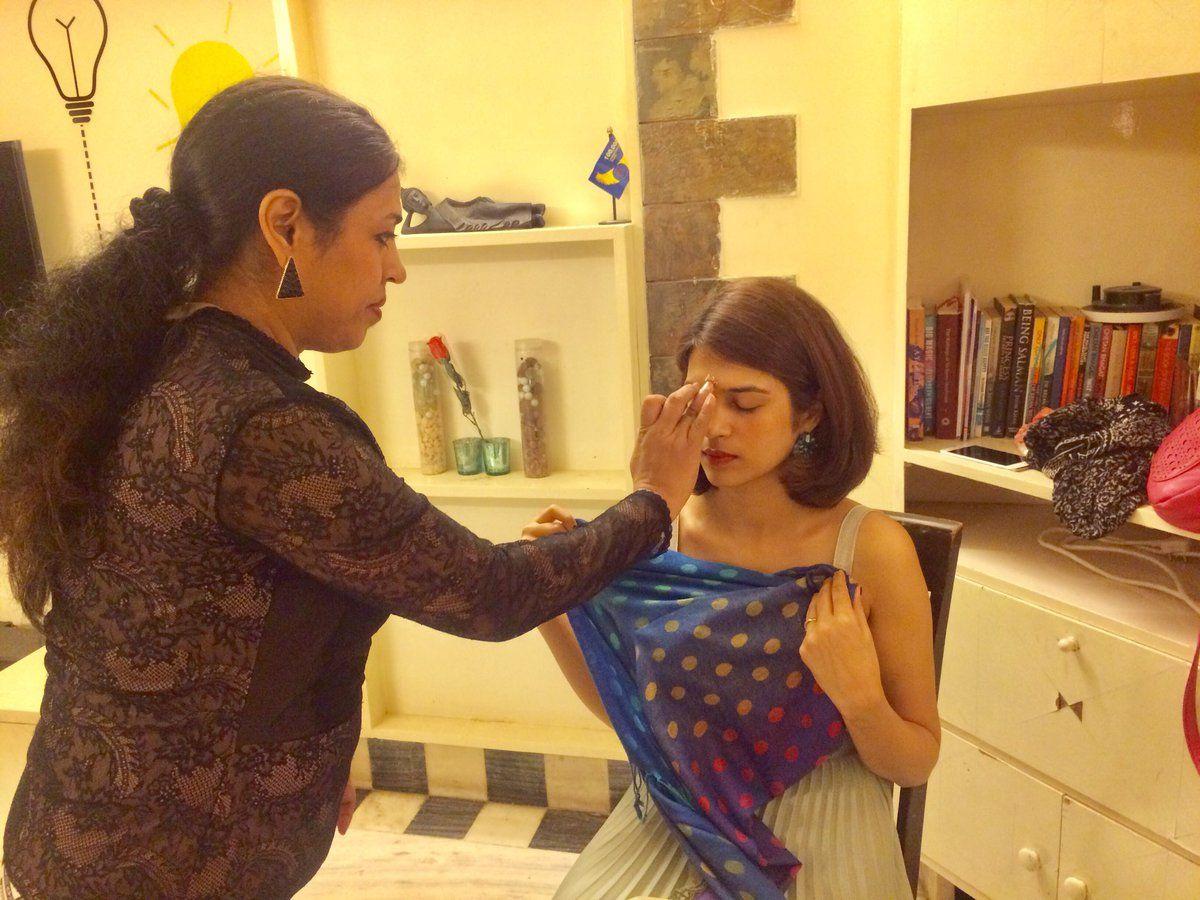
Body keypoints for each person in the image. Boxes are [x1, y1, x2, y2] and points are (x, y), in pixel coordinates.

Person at [0, 75, 714, 899]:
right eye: (381, 235)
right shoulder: (264, 426)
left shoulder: (155, 363)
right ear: (285, 225)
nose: (396, 269)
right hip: (152, 870)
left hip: (86, 834)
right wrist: (653, 501)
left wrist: (312, 743)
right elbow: (488, 593)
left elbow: (201, 619)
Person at [531, 279, 940, 899]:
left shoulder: (872, 550)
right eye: (699, 402)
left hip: (826, 818)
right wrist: (552, 606)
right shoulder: (659, 532)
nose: (715, 427)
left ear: (811, 412)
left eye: (745, 405)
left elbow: (914, 761)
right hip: (682, 814)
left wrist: (860, 699)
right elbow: (637, 716)